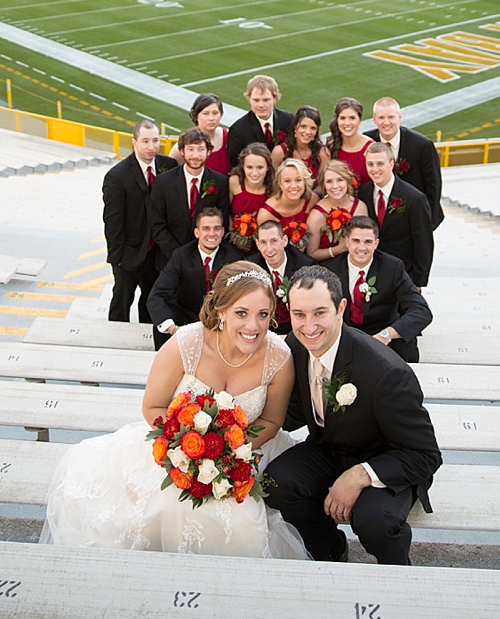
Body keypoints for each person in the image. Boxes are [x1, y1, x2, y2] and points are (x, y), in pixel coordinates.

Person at [43, 263, 307, 558]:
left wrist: (230, 453)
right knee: (162, 508)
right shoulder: (187, 344)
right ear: (220, 310)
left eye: (263, 315)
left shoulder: (279, 358)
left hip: (246, 453)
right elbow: (152, 406)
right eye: (241, 313)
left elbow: (272, 420)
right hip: (175, 448)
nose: (253, 327)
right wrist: (187, 447)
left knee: (241, 517)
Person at [267, 265, 441, 564]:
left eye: (319, 313)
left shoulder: (386, 372)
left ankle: (399, 572)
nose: (308, 326)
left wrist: (362, 475)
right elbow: (293, 414)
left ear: (341, 308)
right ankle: (329, 549)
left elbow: (425, 455)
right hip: (330, 449)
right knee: (275, 483)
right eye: (299, 314)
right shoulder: (295, 346)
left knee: (375, 521)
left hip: (387, 458)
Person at [326, 216, 432, 362]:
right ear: (347, 241)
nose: (362, 248)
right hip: (344, 338)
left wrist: (386, 335)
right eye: (356, 241)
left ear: (376, 243)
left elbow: (421, 312)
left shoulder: (392, 268)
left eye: (368, 242)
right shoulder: (329, 270)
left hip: (383, 335)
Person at [103, 119, 177, 323]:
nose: (151, 147)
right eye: (145, 141)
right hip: (130, 253)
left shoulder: (168, 165)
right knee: (122, 299)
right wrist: (117, 257)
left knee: (151, 300)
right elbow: (113, 222)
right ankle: (115, 338)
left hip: (157, 254)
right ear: (134, 142)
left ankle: (147, 336)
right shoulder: (117, 176)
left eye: (155, 140)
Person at [148, 209, 239, 348]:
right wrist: (173, 329)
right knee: (163, 321)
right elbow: (157, 295)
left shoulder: (233, 257)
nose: (212, 233)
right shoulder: (181, 256)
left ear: (222, 232)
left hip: (220, 318)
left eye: (217, 228)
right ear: (197, 232)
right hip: (187, 316)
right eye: (206, 229)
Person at [150, 128, 230, 271]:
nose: (195, 155)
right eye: (190, 149)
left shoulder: (221, 182)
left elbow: (221, 221)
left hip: (206, 259)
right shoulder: (163, 182)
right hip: (170, 259)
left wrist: (201, 252)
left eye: (200, 149)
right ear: (182, 151)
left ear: (208, 152)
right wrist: (179, 255)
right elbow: (157, 225)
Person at [359, 143, 433, 288]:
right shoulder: (364, 193)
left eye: (380, 164)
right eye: (370, 164)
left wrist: (418, 283)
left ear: (391, 164)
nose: (375, 169)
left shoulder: (415, 198)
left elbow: (423, 243)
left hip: (404, 275)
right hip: (371, 273)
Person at [365, 97, 444, 229]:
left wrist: (426, 223)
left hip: (414, 218)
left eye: (391, 117)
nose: (386, 122)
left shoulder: (422, 145)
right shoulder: (367, 141)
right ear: (374, 119)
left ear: (399, 117)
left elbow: (433, 186)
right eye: (381, 118)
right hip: (379, 223)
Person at [249, 217, 314, 335]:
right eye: (263, 242)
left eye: (274, 241)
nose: (269, 249)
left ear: (284, 241)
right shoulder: (251, 268)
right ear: (258, 245)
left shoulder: (305, 266)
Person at [305, 160, 367, 263]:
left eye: (340, 180)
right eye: (329, 181)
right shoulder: (316, 215)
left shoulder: (359, 207)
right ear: (323, 185)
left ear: (347, 180)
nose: (335, 186)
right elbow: (311, 254)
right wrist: (337, 250)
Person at [227, 74, 293, 165]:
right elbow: (236, 165)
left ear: (275, 98)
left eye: (266, 100)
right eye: (256, 100)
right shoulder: (238, 130)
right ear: (249, 99)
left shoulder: (289, 120)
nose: (261, 105)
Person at [257, 158, 318, 246]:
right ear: (280, 184)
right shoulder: (266, 214)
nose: (293, 186)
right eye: (287, 181)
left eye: (298, 180)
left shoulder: (312, 200)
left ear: (305, 182)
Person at [170, 93, 232, 176]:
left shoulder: (230, 137)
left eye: (215, 113)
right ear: (196, 116)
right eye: (206, 113)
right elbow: (169, 174)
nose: (211, 118)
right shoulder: (185, 142)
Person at [228, 143, 274, 251]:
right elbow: (227, 213)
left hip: (263, 245)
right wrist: (235, 238)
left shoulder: (274, 189)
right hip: (234, 242)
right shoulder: (234, 182)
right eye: (249, 167)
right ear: (243, 166)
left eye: (260, 167)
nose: (254, 173)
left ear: (268, 167)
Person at [324, 98, 373, 191]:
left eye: (352, 118)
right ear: (337, 120)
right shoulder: (331, 146)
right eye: (342, 118)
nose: (347, 123)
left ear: (360, 120)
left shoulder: (371, 148)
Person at [272, 105, 327, 184]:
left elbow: (323, 185)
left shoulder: (323, 153)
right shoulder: (279, 152)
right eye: (303, 126)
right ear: (295, 127)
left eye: (313, 128)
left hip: (313, 196)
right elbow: (272, 183)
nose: (308, 132)